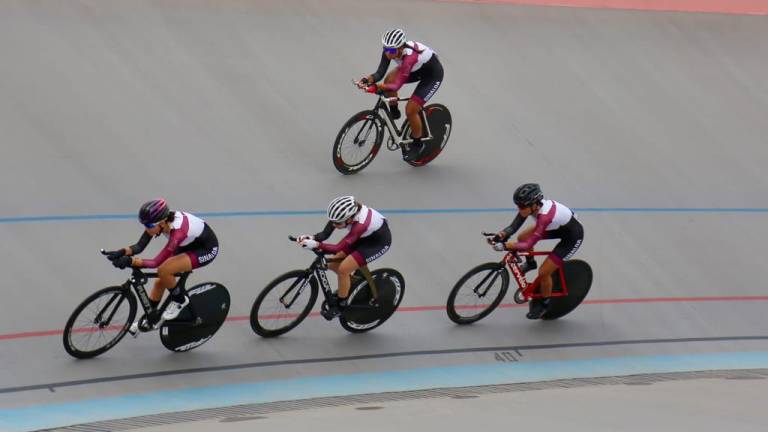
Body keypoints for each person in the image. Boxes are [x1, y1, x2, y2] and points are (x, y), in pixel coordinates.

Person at [104, 199, 219, 330]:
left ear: (162, 222)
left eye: (149, 226)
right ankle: (150, 319)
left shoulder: (177, 232)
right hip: (186, 244)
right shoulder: (159, 223)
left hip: (205, 249)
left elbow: (155, 263)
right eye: (145, 225)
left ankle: (180, 300)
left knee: (164, 270)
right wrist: (123, 252)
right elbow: (139, 246)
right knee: (160, 282)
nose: (147, 229)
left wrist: (130, 261)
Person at [490, 184, 584, 319]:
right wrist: (500, 236)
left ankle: (545, 304)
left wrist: (506, 246)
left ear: (534, 205)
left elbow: (529, 244)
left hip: (572, 237)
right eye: (518, 206)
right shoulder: (529, 207)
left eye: (521, 207)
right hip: (556, 227)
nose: (519, 209)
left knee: (544, 272)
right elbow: (513, 227)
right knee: (522, 236)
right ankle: (530, 263)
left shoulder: (544, 217)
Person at [357, 28, 444, 162]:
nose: (387, 53)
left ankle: (417, 143)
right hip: (413, 70)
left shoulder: (410, 57)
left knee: (411, 110)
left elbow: (396, 86)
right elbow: (380, 72)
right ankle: (394, 110)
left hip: (432, 75)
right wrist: (367, 80)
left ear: (400, 48)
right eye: (385, 49)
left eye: (391, 51)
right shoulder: (389, 50)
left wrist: (376, 87)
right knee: (388, 79)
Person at [297, 196, 391, 319]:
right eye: (332, 221)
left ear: (350, 220)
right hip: (362, 238)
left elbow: (337, 248)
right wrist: (312, 238)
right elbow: (325, 234)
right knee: (331, 264)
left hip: (376, 244)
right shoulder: (342, 215)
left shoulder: (360, 225)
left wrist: (317, 245)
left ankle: (341, 306)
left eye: (338, 223)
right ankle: (352, 284)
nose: (334, 225)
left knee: (343, 270)